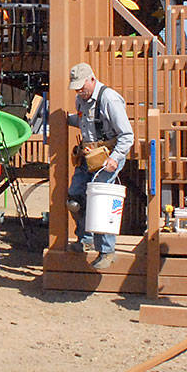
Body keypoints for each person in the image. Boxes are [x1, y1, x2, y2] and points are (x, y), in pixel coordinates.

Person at [65, 62, 135, 269]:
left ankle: (106, 251)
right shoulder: (81, 99)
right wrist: (65, 119)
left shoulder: (109, 99)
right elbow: (86, 122)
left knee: (101, 202)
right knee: (74, 198)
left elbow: (127, 135)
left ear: (92, 79)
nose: (79, 91)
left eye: (81, 86)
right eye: (76, 87)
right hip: (89, 156)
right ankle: (85, 239)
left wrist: (115, 159)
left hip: (109, 156)